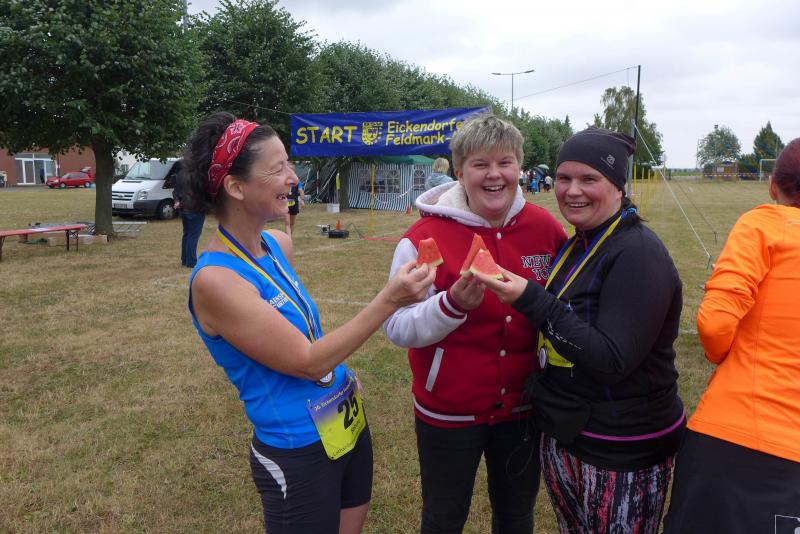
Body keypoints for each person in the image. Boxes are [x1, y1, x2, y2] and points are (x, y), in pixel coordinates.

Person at [181, 112, 436, 534]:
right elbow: (307, 361)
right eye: (278, 168)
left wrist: (342, 378)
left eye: (289, 164)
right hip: (296, 448)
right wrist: (390, 299)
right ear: (236, 187)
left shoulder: (276, 244)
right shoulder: (215, 281)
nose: (293, 178)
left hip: (344, 420)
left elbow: (301, 331)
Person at [475, 126, 685, 533]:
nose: (573, 191)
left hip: (621, 447)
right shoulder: (579, 243)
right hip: (570, 433)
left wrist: (530, 298)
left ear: (618, 186)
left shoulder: (638, 252)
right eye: (564, 178)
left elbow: (612, 359)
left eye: (589, 179)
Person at [384, 113, 567, 534]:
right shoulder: (424, 237)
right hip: (447, 411)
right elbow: (397, 326)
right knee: (443, 518)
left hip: (523, 408)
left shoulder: (546, 230)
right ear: (460, 172)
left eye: (505, 162)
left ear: (520, 167)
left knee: (516, 515)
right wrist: (450, 306)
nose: (494, 174)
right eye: (480, 164)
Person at [663, 138, 800, 533]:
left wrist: (725, 355)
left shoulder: (763, 224)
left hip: (736, 436)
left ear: (772, 184)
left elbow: (715, 323)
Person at [173, 171, 206, 268]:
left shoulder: (181, 174)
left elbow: (176, 191)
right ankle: (191, 261)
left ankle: (185, 259)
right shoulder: (198, 175)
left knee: (187, 234)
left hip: (184, 208)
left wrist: (177, 201)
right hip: (195, 208)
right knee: (193, 235)